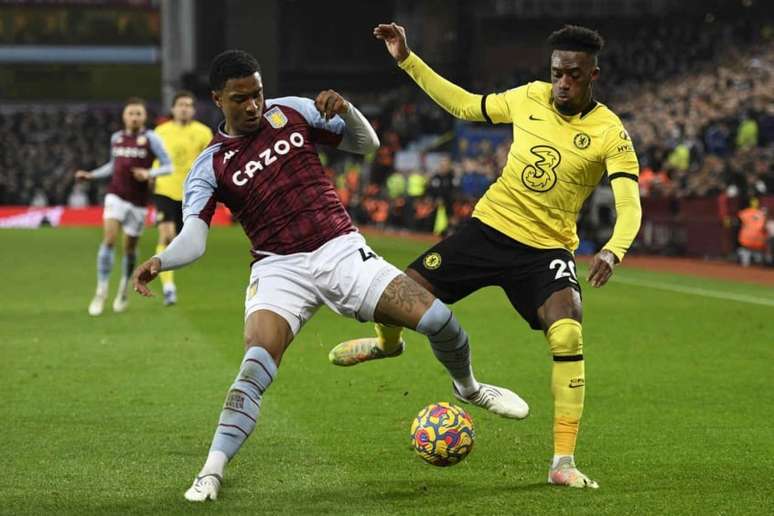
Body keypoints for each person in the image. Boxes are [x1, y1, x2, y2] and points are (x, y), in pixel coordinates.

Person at [130, 49, 528, 503]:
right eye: (241, 98)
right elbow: (194, 238)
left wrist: (349, 111)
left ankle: (470, 388)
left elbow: (366, 144)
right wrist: (162, 260)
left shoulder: (293, 112)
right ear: (217, 98)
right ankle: (210, 473)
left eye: (257, 93)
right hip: (278, 268)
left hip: (339, 248)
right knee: (254, 368)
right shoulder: (212, 164)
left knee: (439, 321)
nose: (254, 105)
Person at [329, 23, 643, 489]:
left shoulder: (609, 132)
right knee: (395, 294)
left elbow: (629, 202)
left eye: (573, 75)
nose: (562, 83)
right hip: (489, 229)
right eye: (557, 72)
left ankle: (562, 463)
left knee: (568, 334)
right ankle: (386, 345)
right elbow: (463, 103)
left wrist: (614, 250)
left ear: (592, 74)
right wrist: (407, 59)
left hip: (545, 250)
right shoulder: (530, 96)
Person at [75, 97, 172, 316]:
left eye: (139, 113)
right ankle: (101, 292)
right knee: (109, 239)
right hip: (115, 195)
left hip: (137, 202)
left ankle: (123, 290)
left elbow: (168, 166)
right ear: (124, 116)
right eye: (131, 113)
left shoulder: (151, 139)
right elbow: (113, 165)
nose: (135, 117)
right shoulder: (117, 138)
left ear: (144, 117)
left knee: (129, 249)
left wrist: (149, 173)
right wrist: (91, 175)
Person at [152, 90, 214, 305]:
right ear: (173, 109)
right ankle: (169, 287)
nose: (184, 108)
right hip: (164, 188)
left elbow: (210, 162)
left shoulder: (204, 133)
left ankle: (168, 270)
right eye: (181, 105)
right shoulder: (160, 132)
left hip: (190, 194)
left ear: (193, 110)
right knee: (166, 236)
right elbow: (153, 159)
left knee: (181, 240)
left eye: (188, 105)